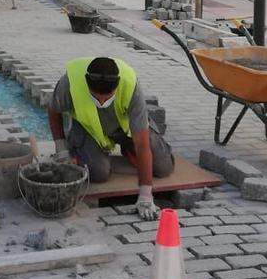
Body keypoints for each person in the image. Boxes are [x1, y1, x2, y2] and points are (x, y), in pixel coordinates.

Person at [46, 56, 174, 221]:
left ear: (117, 86)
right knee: (98, 173)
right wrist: (61, 149)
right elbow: (53, 110)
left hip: (125, 128)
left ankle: (130, 153)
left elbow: (142, 145)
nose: (102, 101)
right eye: (97, 97)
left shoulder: (130, 84)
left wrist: (145, 196)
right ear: (87, 84)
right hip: (89, 129)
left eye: (107, 97)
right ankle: (88, 156)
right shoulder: (69, 82)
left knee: (163, 168)